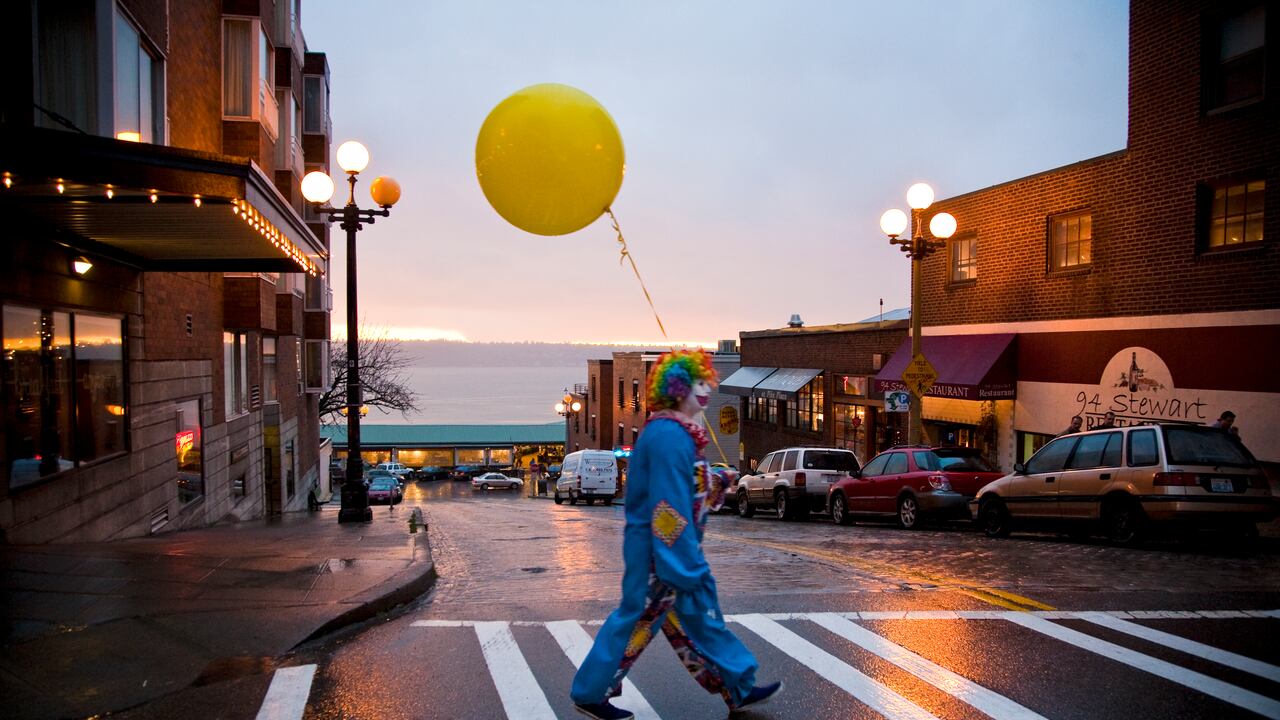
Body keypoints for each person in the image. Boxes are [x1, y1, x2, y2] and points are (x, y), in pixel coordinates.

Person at [570, 350, 782, 720]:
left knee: (693, 622)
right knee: (648, 618)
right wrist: (681, 564)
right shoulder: (670, 436)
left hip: (664, 554)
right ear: (677, 388)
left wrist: (721, 479)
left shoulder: (673, 433)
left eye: (707, 384)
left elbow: (687, 488)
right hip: (662, 557)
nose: (705, 392)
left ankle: (738, 688)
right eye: (697, 384)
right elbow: (668, 508)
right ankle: (591, 692)